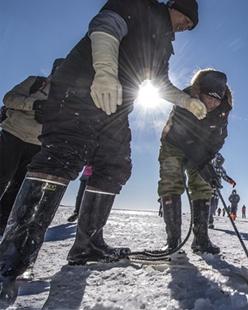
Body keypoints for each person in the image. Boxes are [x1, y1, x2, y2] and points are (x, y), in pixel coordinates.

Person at [0, 0, 203, 305]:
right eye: (187, 19)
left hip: (116, 108)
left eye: (190, 25)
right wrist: (105, 71)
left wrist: (186, 101)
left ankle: (87, 245)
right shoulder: (141, 6)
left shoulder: (164, 43)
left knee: (115, 165)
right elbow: (106, 26)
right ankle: (11, 259)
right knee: (61, 158)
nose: (186, 26)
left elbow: (158, 82)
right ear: (177, 7)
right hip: (80, 89)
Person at [158, 68, 233, 255]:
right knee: (171, 182)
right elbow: (182, 136)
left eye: (218, 98)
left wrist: (207, 161)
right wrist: (201, 161)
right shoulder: (186, 98)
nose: (213, 103)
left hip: (201, 150)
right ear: (199, 91)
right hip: (174, 144)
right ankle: (173, 240)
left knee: (202, 185)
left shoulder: (223, 110)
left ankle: (201, 239)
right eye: (210, 97)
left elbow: (219, 139)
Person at [0, 58, 64, 236]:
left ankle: (3, 224)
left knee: (19, 187)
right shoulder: (34, 82)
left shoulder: (66, 97)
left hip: (37, 144)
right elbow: (9, 98)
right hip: (13, 135)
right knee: (2, 177)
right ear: (54, 69)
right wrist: (34, 105)